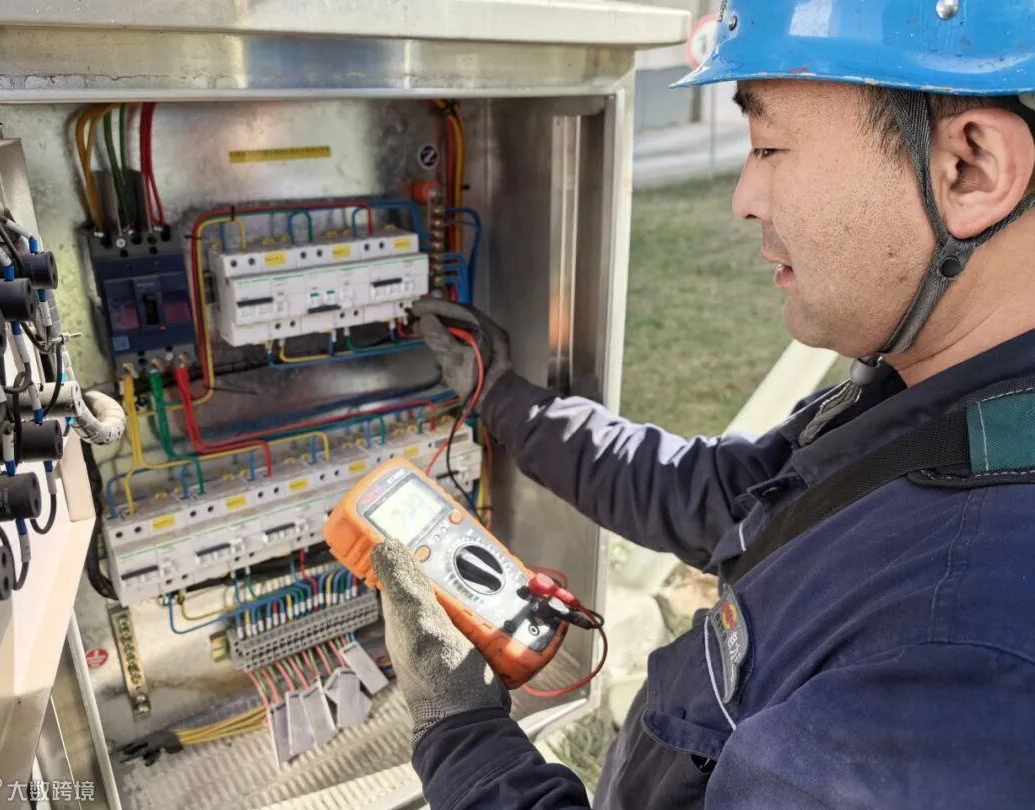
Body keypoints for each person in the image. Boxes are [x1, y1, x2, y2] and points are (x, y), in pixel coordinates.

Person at [370, 1, 1035, 806]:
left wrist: (460, 729)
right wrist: (502, 398)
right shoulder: (939, 401)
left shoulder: (959, 664)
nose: (744, 196)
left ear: (970, 167)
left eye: (769, 145)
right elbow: (721, 496)